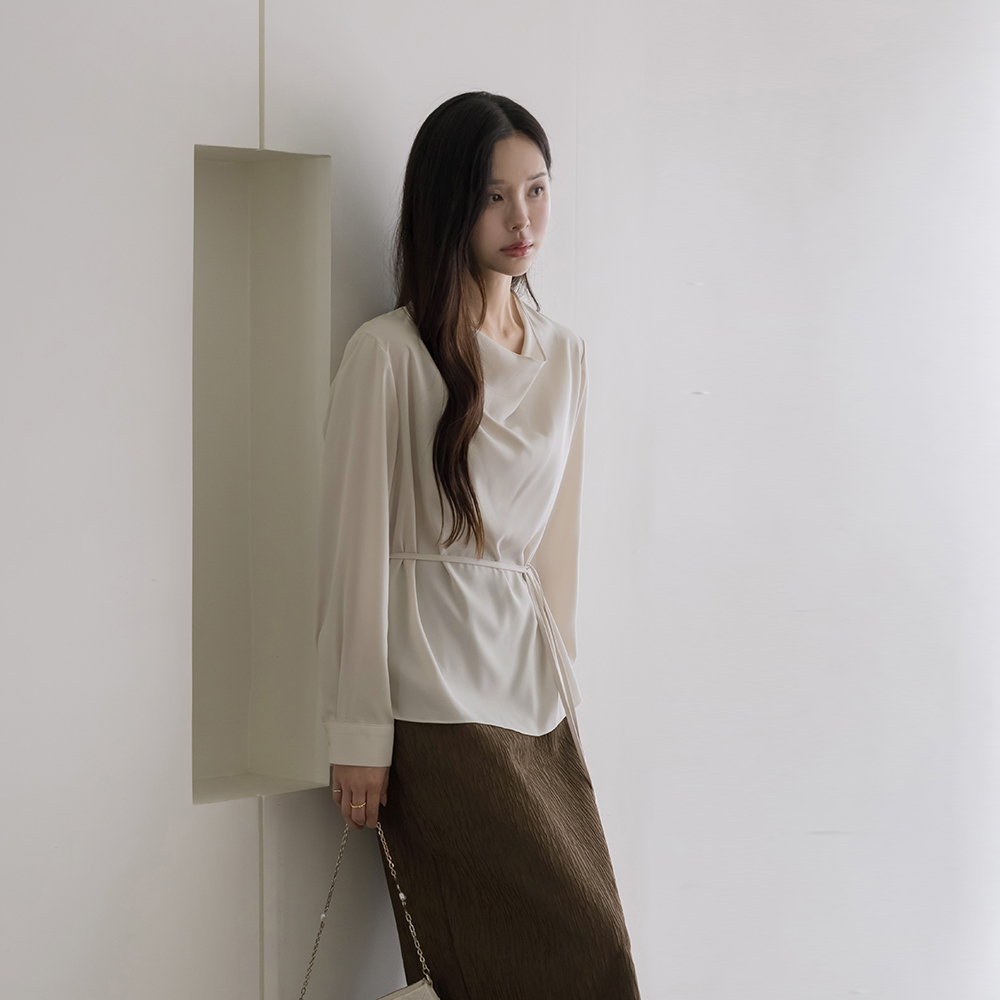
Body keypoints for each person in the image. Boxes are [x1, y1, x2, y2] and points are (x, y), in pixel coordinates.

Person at [317, 90, 641, 1000]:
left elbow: (555, 550)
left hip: (533, 695)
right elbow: (351, 549)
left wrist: (567, 686)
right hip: (431, 697)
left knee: (583, 950)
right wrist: (356, 731)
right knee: (541, 954)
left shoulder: (565, 356)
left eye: (536, 190)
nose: (521, 219)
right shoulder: (389, 354)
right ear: (449, 205)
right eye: (495, 197)